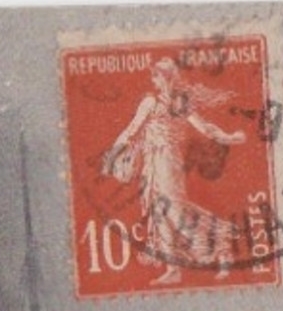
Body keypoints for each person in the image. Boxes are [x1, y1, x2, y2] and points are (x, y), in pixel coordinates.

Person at [100, 57, 247, 285]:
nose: (154, 79)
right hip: (152, 162)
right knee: (158, 212)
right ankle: (173, 268)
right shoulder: (150, 102)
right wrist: (113, 154)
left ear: (167, 78)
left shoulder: (179, 102)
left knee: (175, 212)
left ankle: (221, 243)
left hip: (169, 163)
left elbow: (203, 126)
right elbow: (131, 130)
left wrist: (228, 137)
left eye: (158, 75)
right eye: (154, 76)